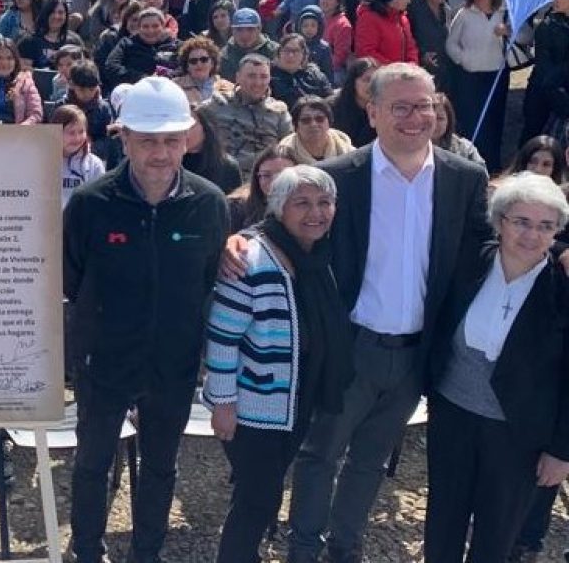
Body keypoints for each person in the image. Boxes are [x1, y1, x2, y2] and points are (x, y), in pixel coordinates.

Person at [211, 62, 491, 563]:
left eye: (424, 105)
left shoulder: (465, 178)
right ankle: (304, 549)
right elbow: (292, 224)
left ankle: (345, 548)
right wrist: (239, 240)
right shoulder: (342, 175)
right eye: (400, 107)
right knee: (320, 455)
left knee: (371, 460)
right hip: (349, 345)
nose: (414, 117)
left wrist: (557, 252)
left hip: (415, 354)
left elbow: (485, 248)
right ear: (372, 111)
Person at [65, 77, 227, 563]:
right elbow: (72, 277)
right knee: (92, 462)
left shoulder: (208, 203)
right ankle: (87, 550)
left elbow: (209, 278)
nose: (160, 153)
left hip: (173, 362)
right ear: (125, 139)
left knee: (160, 466)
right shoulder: (91, 203)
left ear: (187, 139)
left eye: (171, 140)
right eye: (148, 141)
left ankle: (147, 552)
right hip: (104, 359)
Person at [206, 165, 353, 563]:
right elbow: (222, 336)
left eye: (324, 202)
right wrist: (223, 402)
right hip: (254, 404)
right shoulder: (251, 259)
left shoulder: (320, 256)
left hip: (297, 399)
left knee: (262, 493)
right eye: (301, 203)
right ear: (278, 207)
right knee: (257, 498)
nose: (315, 213)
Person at [424, 173, 569, 562]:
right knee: (443, 520)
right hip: (452, 414)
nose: (532, 235)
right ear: (500, 221)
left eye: (546, 226)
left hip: (518, 433)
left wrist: (562, 450)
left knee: (496, 534)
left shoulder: (562, 288)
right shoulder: (471, 260)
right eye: (521, 221)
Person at [446, 0, 510, 171]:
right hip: (471, 76)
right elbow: (451, 43)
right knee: (473, 120)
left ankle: (494, 165)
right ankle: (473, 165)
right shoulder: (465, 13)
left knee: (494, 120)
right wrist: (463, 59)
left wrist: (507, 31)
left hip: (496, 74)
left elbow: (524, 37)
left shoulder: (504, 12)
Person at [202, 54, 293, 176]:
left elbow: (288, 150)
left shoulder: (279, 112)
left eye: (264, 77)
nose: (257, 82)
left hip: (262, 178)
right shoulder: (217, 104)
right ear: (238, 77)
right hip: (221, 175)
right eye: (251, 76)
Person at [522, 0, 569, 144]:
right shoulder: (547, 26)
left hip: (563, 89)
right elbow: (544, 65)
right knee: (533, 138)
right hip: (543, 91)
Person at [227, 145, 300, 232]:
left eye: (282, 175)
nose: (274, 182)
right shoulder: (236, 209)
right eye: (266, 175)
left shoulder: (310, 207)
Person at [103, 6, 178, 89]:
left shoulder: (175, 45)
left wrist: (167, 77)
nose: (150, 30)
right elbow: (111, 66)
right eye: (145, 26)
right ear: (139, 28)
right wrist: (144, 78)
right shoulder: (126, 44)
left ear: (163, 27)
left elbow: (184, 68)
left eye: (155, 26)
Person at [355, 0, 419, 65]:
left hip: (403, 72)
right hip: (380, 73)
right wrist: (394, 70)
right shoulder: (369, 19)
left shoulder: (402, 18)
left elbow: (410, 46)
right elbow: (366, 52)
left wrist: (412, 65)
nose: (409, 1)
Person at [52, 104, 106, 209]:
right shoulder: (42, 162)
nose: (77, 138)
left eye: (81, 132)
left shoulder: (94, 164)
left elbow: (101, 202)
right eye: (71, 133)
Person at [406, 0, 452, 84]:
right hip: (421, 72)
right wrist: (422, 55)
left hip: (445, 70)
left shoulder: (446, 8)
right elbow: (406, 39)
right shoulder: (412, 10)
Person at [183, 105, 242, 194]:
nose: (184, 133)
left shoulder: (227, 166)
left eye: (190, 126)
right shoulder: (172, 162)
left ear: (206, 128)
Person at [279, 95, 354, 165]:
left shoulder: (348, 151)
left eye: (320, 119)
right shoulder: (283, 155)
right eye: (306, 120)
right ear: (296, 126)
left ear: (329, 122)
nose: (313, 124)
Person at [18, 0, 83, 70]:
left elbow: (83, 68)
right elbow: (24, 70)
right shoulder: (29, 41)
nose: (56, 16)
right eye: (52, 12)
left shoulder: (75, 41)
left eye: (60, 12)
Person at [270, 33, 332, 108]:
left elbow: (329, 101)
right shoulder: (268, 76)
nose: (290, 55)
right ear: (279, 53)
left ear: (304, 54)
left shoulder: (316, 76)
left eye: (296, 51)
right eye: (286, 50)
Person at [330, 57, 379, 148]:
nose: (371, 85)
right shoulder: (333, 108)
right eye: (366, 80)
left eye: (375, 81)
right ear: (353, 81)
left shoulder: (382, 109)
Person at [219, 8, 279, 80]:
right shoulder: (224, 56)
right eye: (239, 30)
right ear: (232, 30)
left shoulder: (275, 52)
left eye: (250, 29)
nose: (244, 35)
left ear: (259, 29)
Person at [431, 92, 487, 168]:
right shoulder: (414, 149)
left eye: (440, 118)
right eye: (431, 118)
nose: (434, 123)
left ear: (449, 121)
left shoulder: (466, 149)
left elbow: (481, 173)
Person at [319, 0, 353, 84]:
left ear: (338, 2)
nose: (325, 1)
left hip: (334, 70)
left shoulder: (343, 25)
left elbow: (340, 57)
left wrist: (320, 69)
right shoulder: (317, 18)